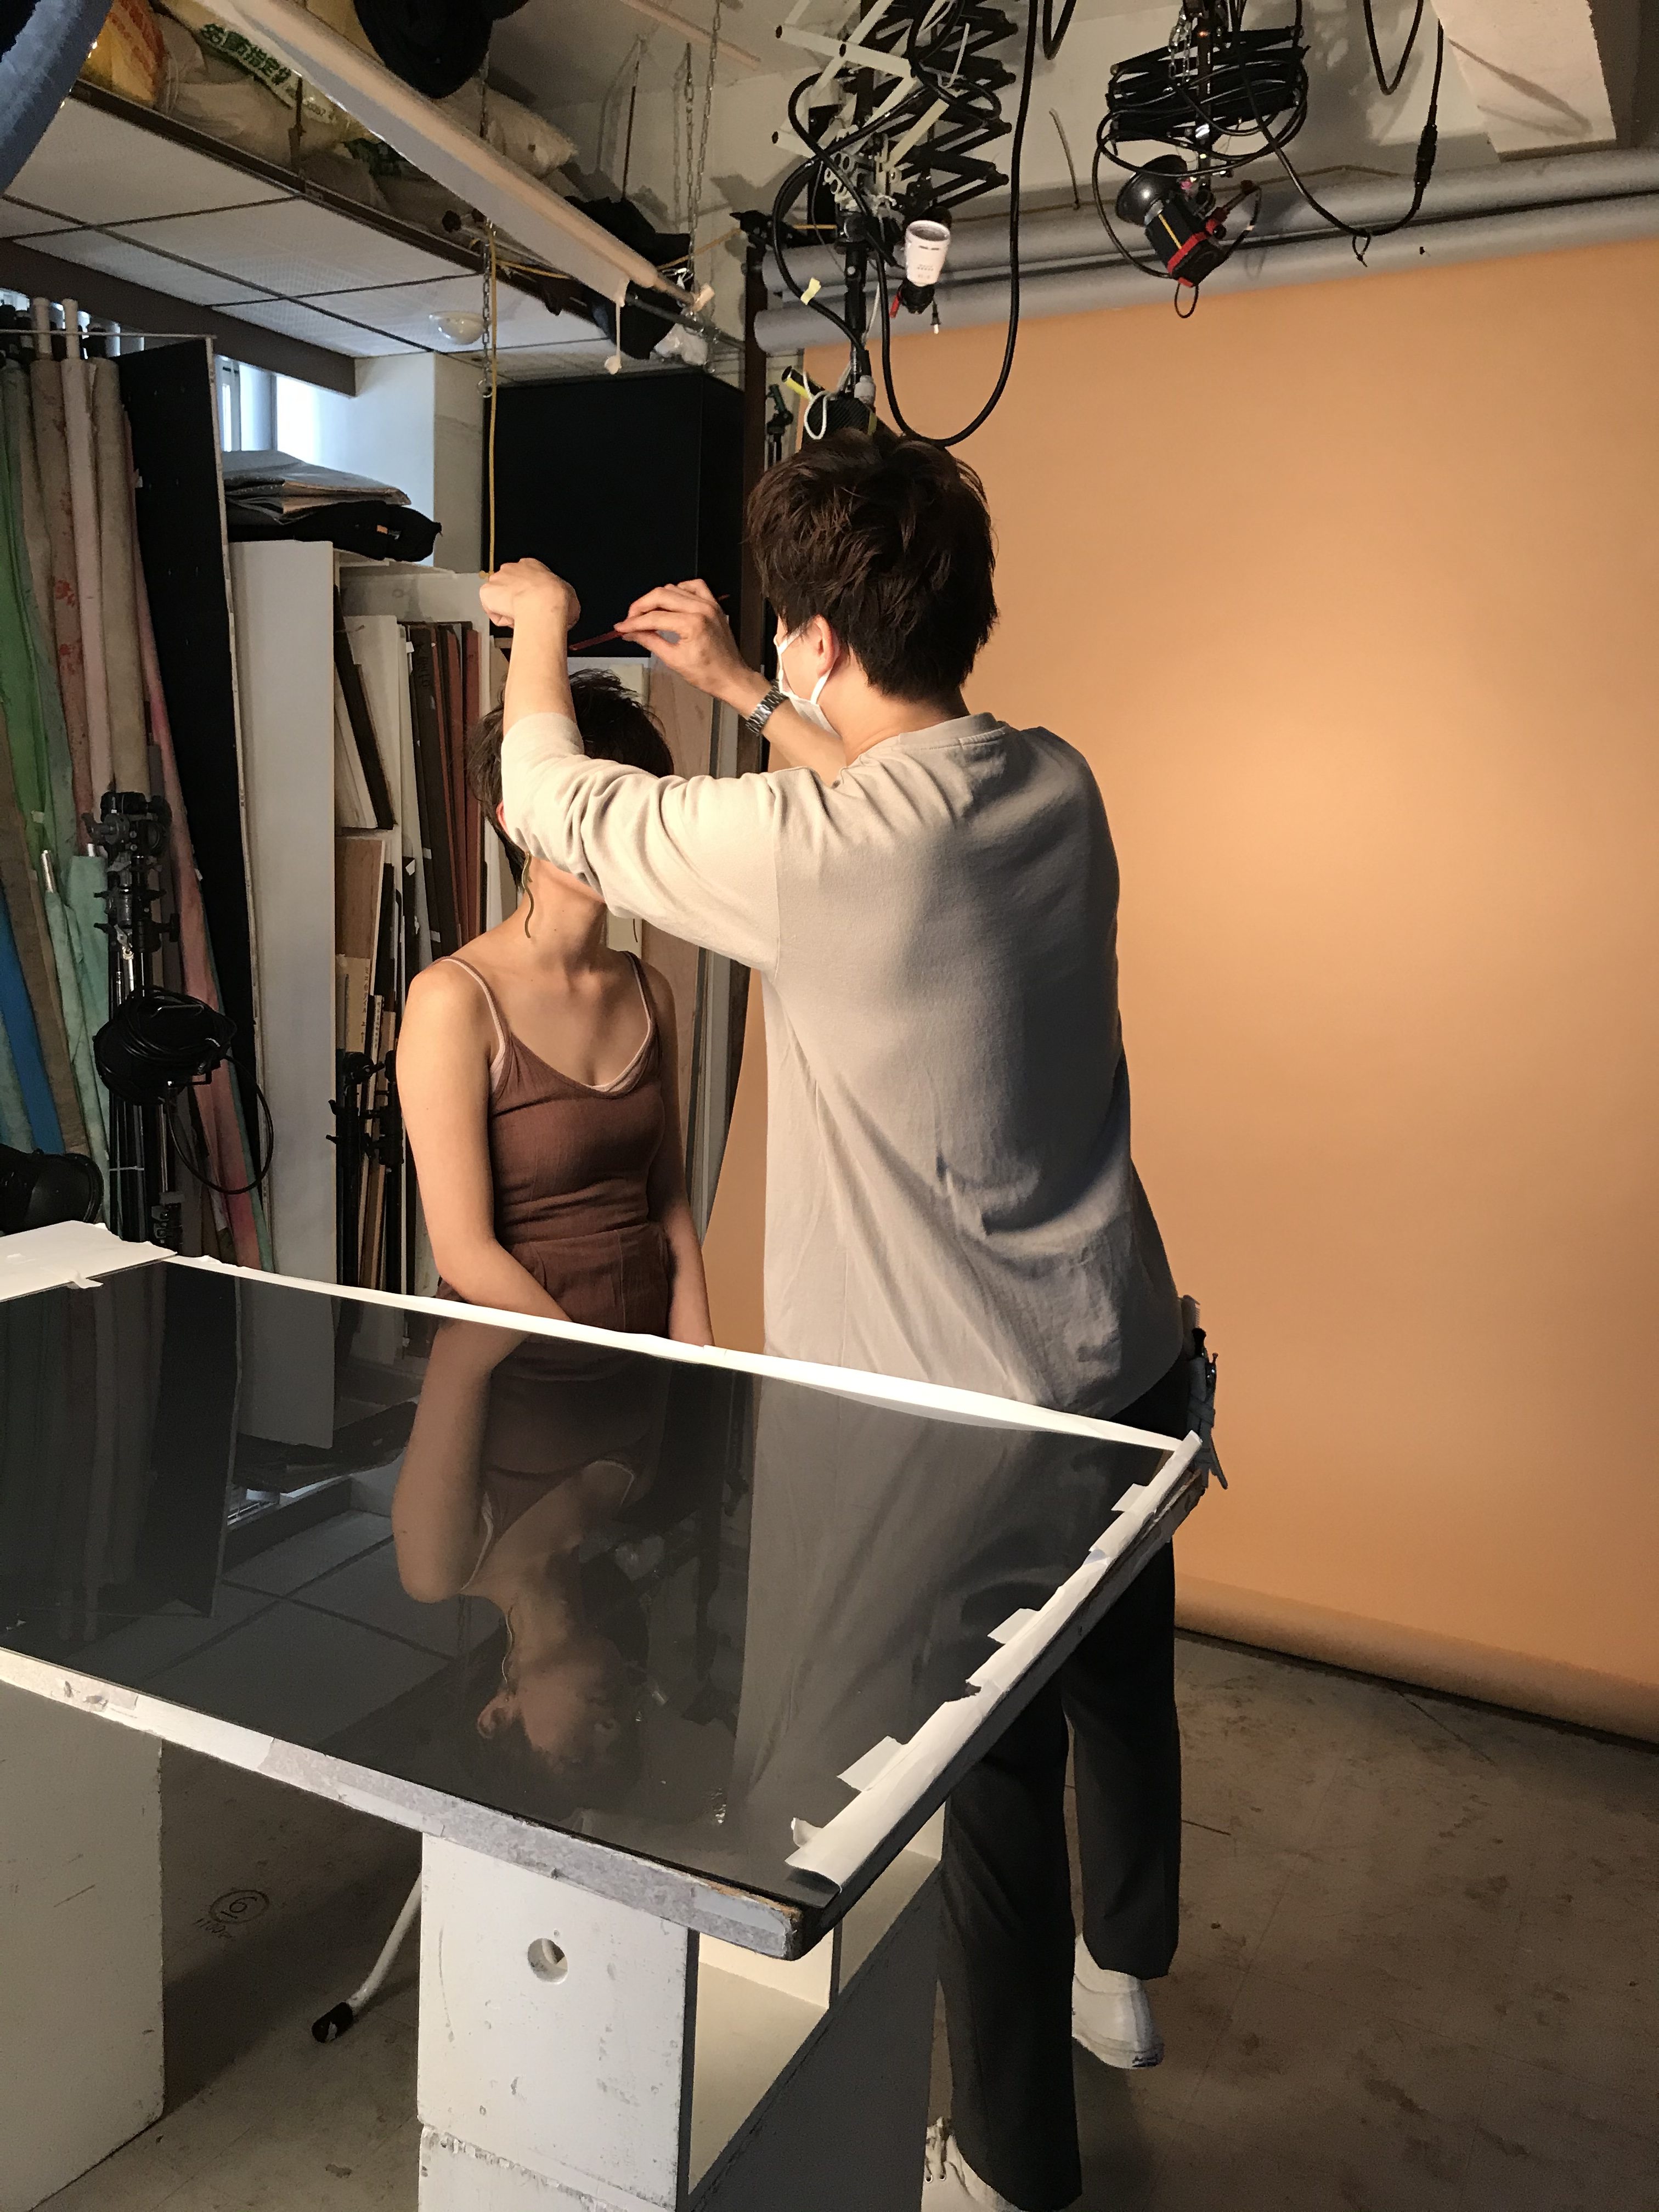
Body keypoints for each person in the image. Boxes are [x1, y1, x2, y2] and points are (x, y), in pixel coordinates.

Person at [478, 429, 1191, 2212]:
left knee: (988, 1780)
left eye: (788, 649)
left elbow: (550, 801)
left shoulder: (819, 851)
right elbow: (879, 791)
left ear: (819, 635)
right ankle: (1127, 1981)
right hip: (1128, 1363)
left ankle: (1013, 2167)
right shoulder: (1052, 781)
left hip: (967, 1431)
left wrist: (539, 628)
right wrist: (741, 691)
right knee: (1121, 1689)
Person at [396, 670, 713, 1345]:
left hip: (645, 1354)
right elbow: (463, 1253)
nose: (616, 837)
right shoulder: (453, 999)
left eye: (633, 811)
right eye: (589, 808)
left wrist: (697, 1366)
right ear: (516, 821)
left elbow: (671, 1206)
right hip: (520, 1360)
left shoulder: (649, 989)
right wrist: (589, 1362)